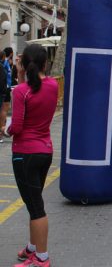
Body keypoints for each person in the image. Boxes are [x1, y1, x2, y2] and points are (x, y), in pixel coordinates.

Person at [6, 44, 58, 267]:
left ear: (25, 64)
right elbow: (31, 90)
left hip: (24, 153)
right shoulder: (53, 85)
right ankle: (32, 247)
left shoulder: (20, 91)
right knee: (32, 201)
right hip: (45, 151)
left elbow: (16, 125)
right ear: (45, 64)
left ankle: (42, 258)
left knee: (35, 207)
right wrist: (21, 75)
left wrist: (5, 130)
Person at [0, 48, 13, 143]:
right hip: (5, 89)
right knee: (4, 110)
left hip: (4, 88)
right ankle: (1, 132)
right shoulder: (5, 63)